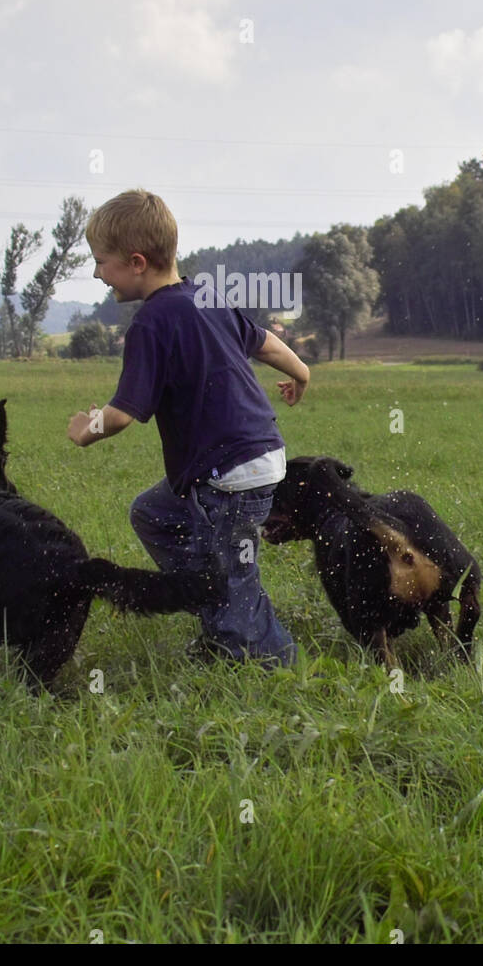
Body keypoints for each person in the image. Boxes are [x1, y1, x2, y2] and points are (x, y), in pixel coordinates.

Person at [67, 188, 310, 667]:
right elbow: (264, 342)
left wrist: (84, 428)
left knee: (235, 585)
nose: (97, 274)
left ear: (136, 262)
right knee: (153, 514)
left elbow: (121, 413)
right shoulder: (206, 296)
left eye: (100, 262)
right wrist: (301, 373)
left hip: (229, 476)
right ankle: (210, 601)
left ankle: (278, 666)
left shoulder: (150, 324)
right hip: (253, 456)